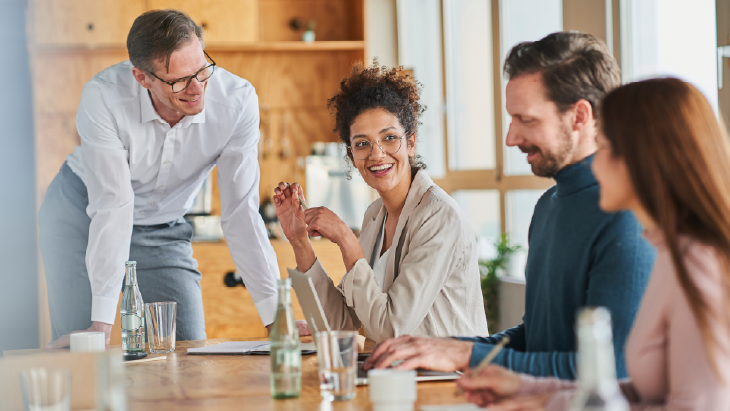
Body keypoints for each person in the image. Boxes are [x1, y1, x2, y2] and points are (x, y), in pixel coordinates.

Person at [363, 32, 655, 377]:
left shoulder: (627, 217)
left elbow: (610, 372)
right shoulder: (549, 205)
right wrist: (449, 348)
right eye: (511, 119)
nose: (510, 138)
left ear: (579, 116)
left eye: (526, 120)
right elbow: (537, 338)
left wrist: (466, 356)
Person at [456, 77, 730, 411]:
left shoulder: (697, 264)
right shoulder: (674, 254)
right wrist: (530, 390)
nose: (595, 163)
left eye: (606, 147)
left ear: (646, 161)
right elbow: (644, 393)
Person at [38, 9, 305, 348]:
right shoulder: (104, 97)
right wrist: (101, 326)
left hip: (162, 226)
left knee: (186, 349)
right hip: (80, 216)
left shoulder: (236, 102)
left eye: (201, 70)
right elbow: (113, 205)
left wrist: (274, 317)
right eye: (178, 80)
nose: (197, 89)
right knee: (83, 349)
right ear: (142, 77)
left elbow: (241, 212)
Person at [272, 62, 489, 343]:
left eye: (389, 138)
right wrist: (299, 241)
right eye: (362, 144)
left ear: (411, 143)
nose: (377, 154)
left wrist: (346, 240)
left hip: (448, 381)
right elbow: (341, 323)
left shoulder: (439, 217)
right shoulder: (375, 215)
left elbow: (392, 330)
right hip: (397, 378)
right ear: (352, 157)